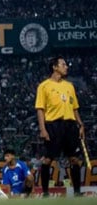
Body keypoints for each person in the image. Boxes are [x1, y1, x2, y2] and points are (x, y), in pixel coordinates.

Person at [35, 56, 86, 197]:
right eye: (63, 64)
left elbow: (75, 108)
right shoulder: (44, 86)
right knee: (48, 159)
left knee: (74, 159)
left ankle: (77, 192)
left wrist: (80, 125)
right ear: (55, 67)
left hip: (70, 125)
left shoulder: (69, 86)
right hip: (53, 125)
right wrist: (43, 129)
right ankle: (45, 192)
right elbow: (40, 109)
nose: (66, 67)